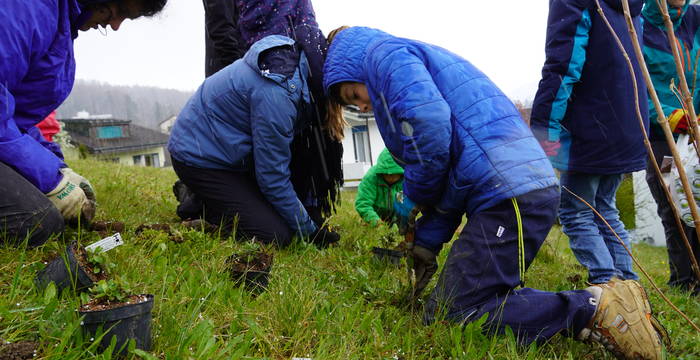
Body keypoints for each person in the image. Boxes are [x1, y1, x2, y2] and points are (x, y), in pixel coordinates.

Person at [323, 26, 666, 358]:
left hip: (509, 194)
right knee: (445, 309)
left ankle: (594, 308)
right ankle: (601, 307)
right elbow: (452, 175)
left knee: (455, 313)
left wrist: (413, 194)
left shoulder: (384, 57)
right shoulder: (411, 58)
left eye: (353, 95)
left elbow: (428, 129)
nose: (363, 106)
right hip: (511, 190)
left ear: (352, 63)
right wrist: (427, 242)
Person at [0, 0, 167, 248]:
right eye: (118, 10)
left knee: (49, 217)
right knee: (36, 222)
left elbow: (15, 116)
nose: (116, 25)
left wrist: (58, 169)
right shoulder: (28, 8)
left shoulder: (60, 22)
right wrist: (49, 180)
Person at [176, 0, 343, 229]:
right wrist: (239, 74)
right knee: (271, 226)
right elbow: (221, 25)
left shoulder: (298, 74)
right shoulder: (273, 88)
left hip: (286, 71)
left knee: (286, 162)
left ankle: (296, 213)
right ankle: (202, 203)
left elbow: (306, 20)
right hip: (258, 74)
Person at [530, 0, 647, 285]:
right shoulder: (630, 9)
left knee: (575, 210)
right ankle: (629, 286)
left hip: (591, 125)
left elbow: (563, 64)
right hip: (627, 122)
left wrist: (545, 127)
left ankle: (609, 286)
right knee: (605, 207)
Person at [642, 0, 700, 295]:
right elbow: (639, 85)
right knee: (673, 203)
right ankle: (683, 280)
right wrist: (670, 115)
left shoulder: (696, 17)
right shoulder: (639, 26)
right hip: (662, 132)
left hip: (698, 128)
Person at [355, 148, 404, 227]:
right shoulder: (371, 177)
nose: (390, 177)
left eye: (394, 174)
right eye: (387, 174)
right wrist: (377, 223)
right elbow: (363, 204)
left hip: (395, 217)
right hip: (372, 218)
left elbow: (404, 205)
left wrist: (396, 223)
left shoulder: (405, 180)